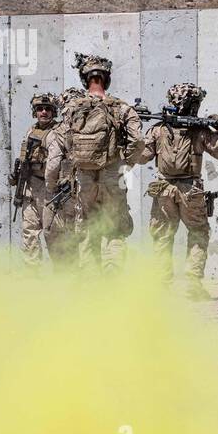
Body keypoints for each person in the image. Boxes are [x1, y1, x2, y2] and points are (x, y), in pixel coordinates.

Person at [46, 54, 144, 275]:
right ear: (106, 79)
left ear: (84, 80)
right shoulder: (122, 108)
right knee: (114, 231)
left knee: (88, 230)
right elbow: (138, 141)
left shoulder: (72, 109)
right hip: (113, 177)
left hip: (84, 179)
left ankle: (91, 285)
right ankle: (111, 278)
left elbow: (64, 144)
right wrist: (124, 163)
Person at [134, 82, 218, 301]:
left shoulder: (158, 129)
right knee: (198, 232)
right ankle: (193, 283)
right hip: (192, 189)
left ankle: (162, 285)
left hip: (163, 189)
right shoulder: (200, 131)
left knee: (162, 236)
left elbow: (141, 157)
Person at [10, 92, 59, 270]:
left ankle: (63, 273)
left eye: (47, 109)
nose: (44, 112)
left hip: (49, 189)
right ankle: (32, 273)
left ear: (54, 112)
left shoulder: (56, 133)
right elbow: (24, 158)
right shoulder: (31, 131)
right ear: (35, 112)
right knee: (29, 232)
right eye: (40, 109)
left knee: (52, 233)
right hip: (30, 188)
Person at [41, 87, 84, 270]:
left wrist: (50, 189)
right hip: (92, 188)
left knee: (55, 231)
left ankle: (65, 273)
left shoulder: (57, 132)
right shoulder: (94, 129)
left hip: (66, 192)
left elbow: (52, 166)